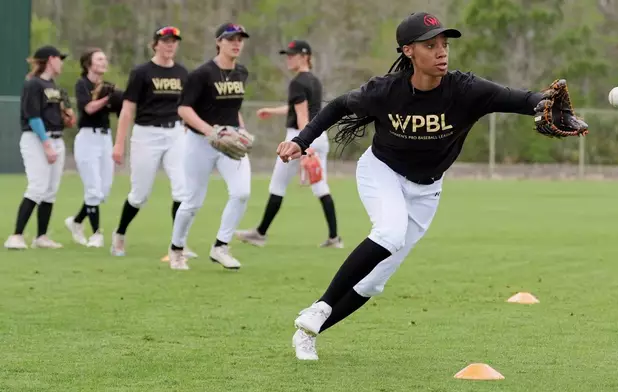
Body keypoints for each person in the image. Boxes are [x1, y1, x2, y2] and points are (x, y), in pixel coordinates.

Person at [276, 12, 588, 360]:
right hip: (382, 173)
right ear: (408, 51)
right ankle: (321, 306)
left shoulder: (465, 89)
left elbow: (519, 98)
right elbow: (336, 107)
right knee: (389, 233)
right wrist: (302, 141)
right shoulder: (385, 91)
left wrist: (545, 106)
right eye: (430, 45)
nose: (442, 52)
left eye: (444, 44)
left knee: (373, 283)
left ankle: (308, 332)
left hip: (427, 190)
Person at [235, 40, 342, 249]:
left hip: (300, 137)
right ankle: (334, 238)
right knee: (321, 186)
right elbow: (300, 109)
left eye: (292, 55)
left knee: (277, 185)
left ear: (305, 56)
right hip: (320, 136)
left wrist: (305, 147)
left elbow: (302, 116)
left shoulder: (297, 82)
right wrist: (272, 111)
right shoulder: (314, 81)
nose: (288, 59)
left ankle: (260, 233)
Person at [167, 22, 252, 270]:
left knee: (241, 193)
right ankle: (176, 249)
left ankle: (221, 246)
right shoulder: (202, 74)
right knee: (193, 200)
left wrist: (242, 129)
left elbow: (233, 108)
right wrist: (209, 131)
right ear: (218, 42)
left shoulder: (241, 72)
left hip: (230, 141)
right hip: (200, 142)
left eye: (240, 39)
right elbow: (183, 109)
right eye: (231, 39)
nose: (236, 43)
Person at [110, 26, 196, 258]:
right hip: (146, 135)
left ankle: (178, 244)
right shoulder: (142, 72)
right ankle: (119, 234)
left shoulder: (182, 73)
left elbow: (186, 107)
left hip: (176, 133)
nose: (170, 45)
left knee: (182, 190)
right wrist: (119, 143)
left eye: (173, 41)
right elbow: (128, 110)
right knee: (139, 195)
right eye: (165, 41)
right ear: (155, 44)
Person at [4, 45, 74, 250]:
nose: (61, 62)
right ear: (50, 59)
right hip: (36, 139)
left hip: (56, 138)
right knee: (37, 186)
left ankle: (41, 236)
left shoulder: (53, 85)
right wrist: (46, 145)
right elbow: (33, 116)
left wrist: (65, 119)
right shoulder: (32, 84)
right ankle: (16, 236)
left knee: (50, 190)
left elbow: (53, 113)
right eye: (59, 58)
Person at [64, 48, 122, 248]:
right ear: (88, 64)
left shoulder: (107, 86)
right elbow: (88, 108)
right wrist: (107, 98)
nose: (103, 62)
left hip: (105, 138)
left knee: (104, 190)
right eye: (99, 59)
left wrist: (119, 100)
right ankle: (97, 234)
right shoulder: (82, 84)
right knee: (93, 189)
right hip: (88, 138)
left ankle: (76, 221)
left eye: (105, 59)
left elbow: (117, 109)